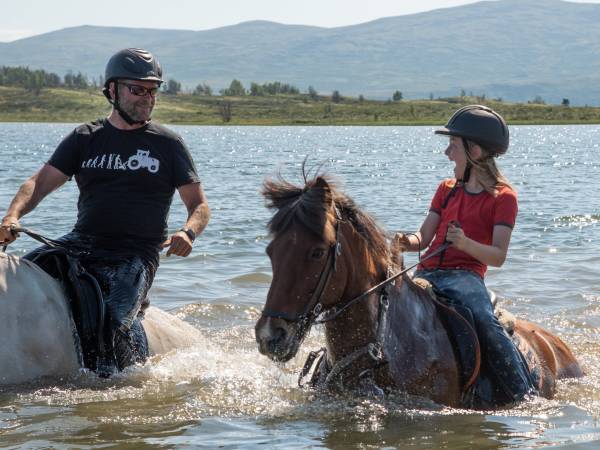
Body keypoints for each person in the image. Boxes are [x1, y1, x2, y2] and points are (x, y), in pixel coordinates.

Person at [0, 48, 210, 373]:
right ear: (112, 90)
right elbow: (37, 184)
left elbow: (199, 205)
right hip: (79, 243)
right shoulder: (85, 138)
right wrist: (13, 216)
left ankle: (122, 382)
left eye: (152, 90)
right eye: (137, 89)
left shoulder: (168, 144)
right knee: (17, 281)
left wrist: (188, 231)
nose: (147, 98)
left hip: (134, 254)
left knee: (112, 322)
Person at [395, 104, 536, 403]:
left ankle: (525, 394)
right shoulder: (445, 189)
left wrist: (465, 243)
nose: (447, 153)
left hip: (466, 278)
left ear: (474, 151)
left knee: (485, 321)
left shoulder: (503, 197)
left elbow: (497, 256)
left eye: (453, 146)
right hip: (427, 273)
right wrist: (403, 242)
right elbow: (424, 237)